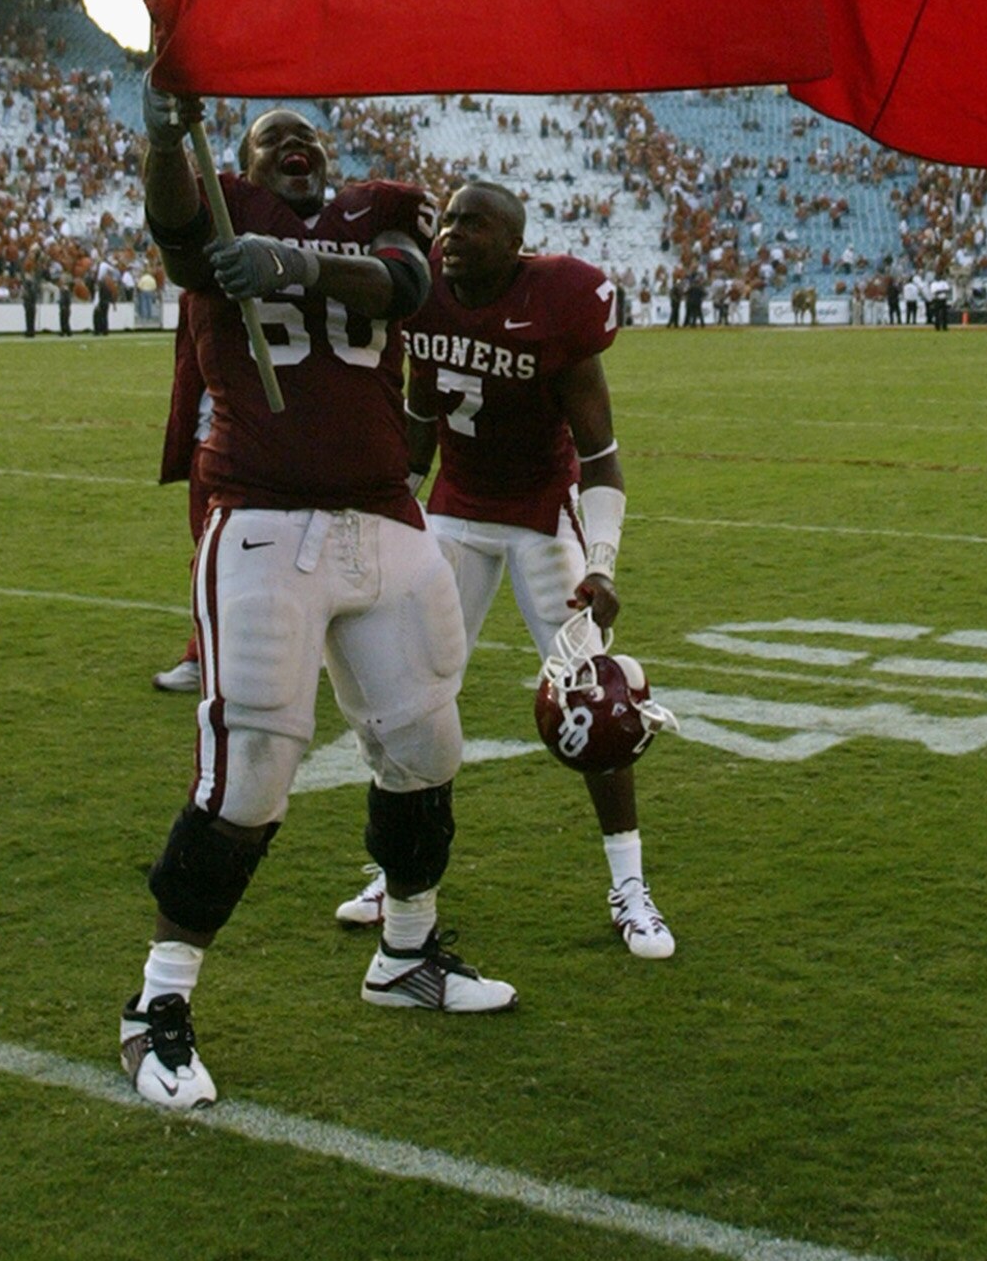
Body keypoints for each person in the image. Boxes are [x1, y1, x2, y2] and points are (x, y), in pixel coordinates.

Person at [125, 87, 510, 1114]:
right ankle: (156, 1004)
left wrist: (295, 263)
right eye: (269, 138)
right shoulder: (217, 200)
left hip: (384, 516)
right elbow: (174, 228)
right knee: (250, 773)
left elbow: (411, 282)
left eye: (308, 136)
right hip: (262, 518)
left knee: (425, 747)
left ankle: (407, 950)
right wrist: (169, 134)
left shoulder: (375, 207)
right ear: (242, 162)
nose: (293, 146)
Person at [339, 176, 673, 959]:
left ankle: (629, 882)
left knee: (593, 695)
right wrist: (389, 515)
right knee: (406, 693)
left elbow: (601, 458)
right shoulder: (422, 293)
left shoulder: (557, 302)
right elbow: (421, 419)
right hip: (454, 507)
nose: (452, 233)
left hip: (537, 517)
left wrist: (603, 564)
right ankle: (401, 870)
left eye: (475, 223)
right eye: (449, 219)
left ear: (514, 241)